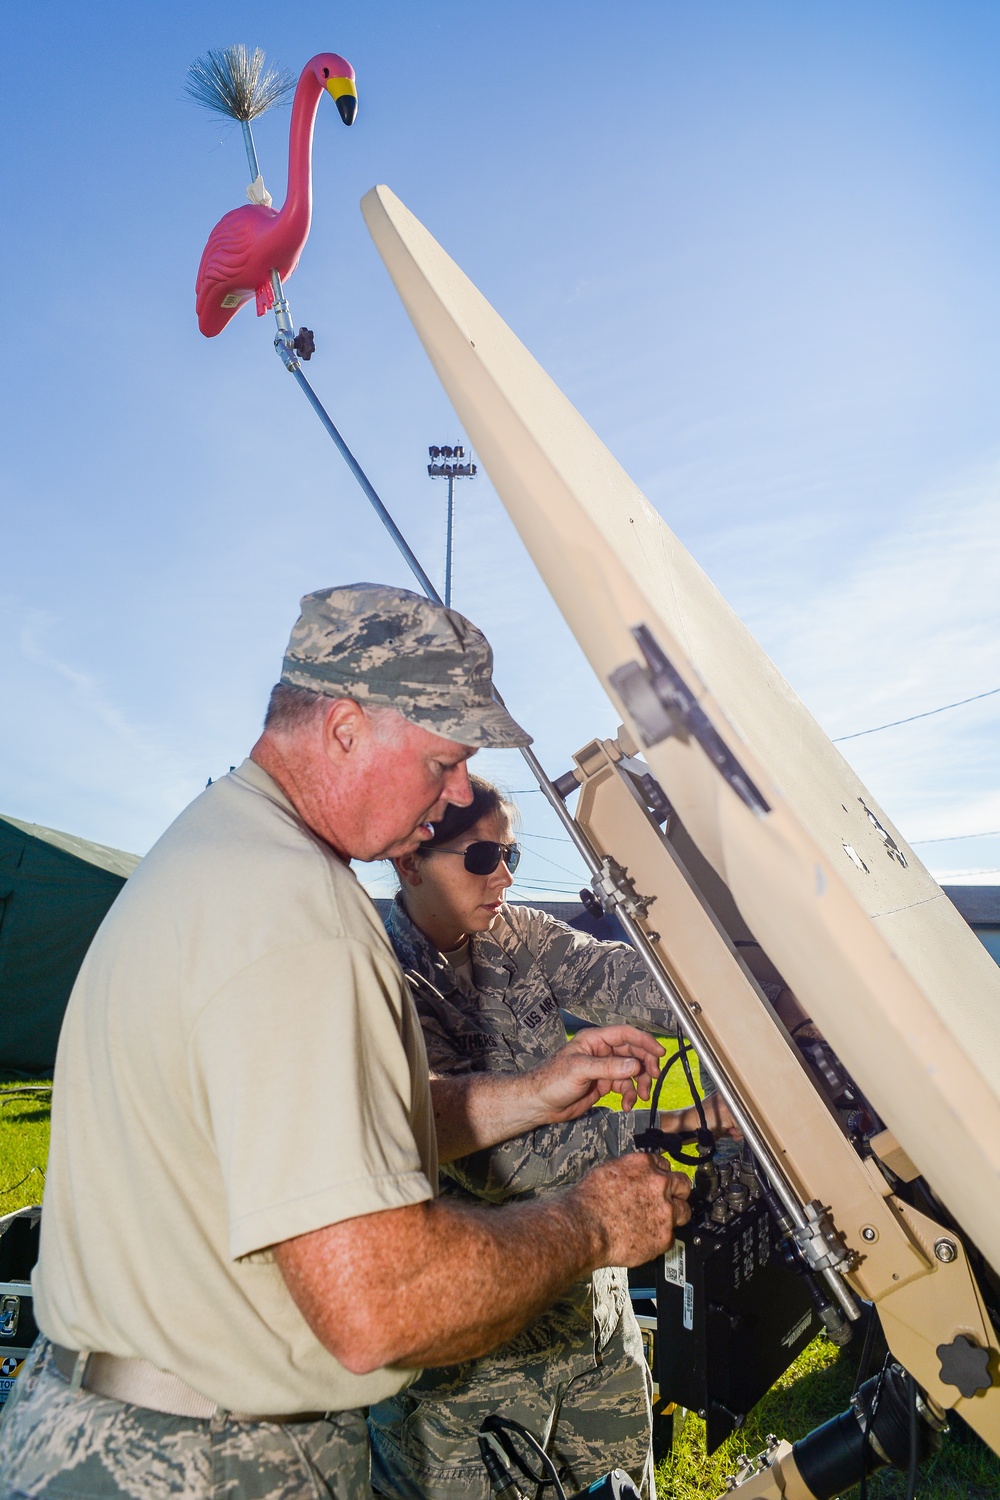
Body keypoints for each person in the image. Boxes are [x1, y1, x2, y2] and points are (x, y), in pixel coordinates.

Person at [0, 583, 693, 1500]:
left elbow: (328, 1131)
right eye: (444, 763)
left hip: (117, 1428)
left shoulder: (224, 855)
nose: (455, 796)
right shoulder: (297, 921)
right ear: (343, 728)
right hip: (200, 1461)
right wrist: (592, 1222)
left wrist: (530, 1092)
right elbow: (380, 1308)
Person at [369, 775, 737, 1500]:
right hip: (468, 1376)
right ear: (410, 861)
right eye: (480, 858)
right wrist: (668, 1131)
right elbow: (492, 1159)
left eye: (510, 855)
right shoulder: (377, 975)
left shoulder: (515, 933)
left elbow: (632, 979)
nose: (502, 874)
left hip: (590, 1327)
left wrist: (760, 991)